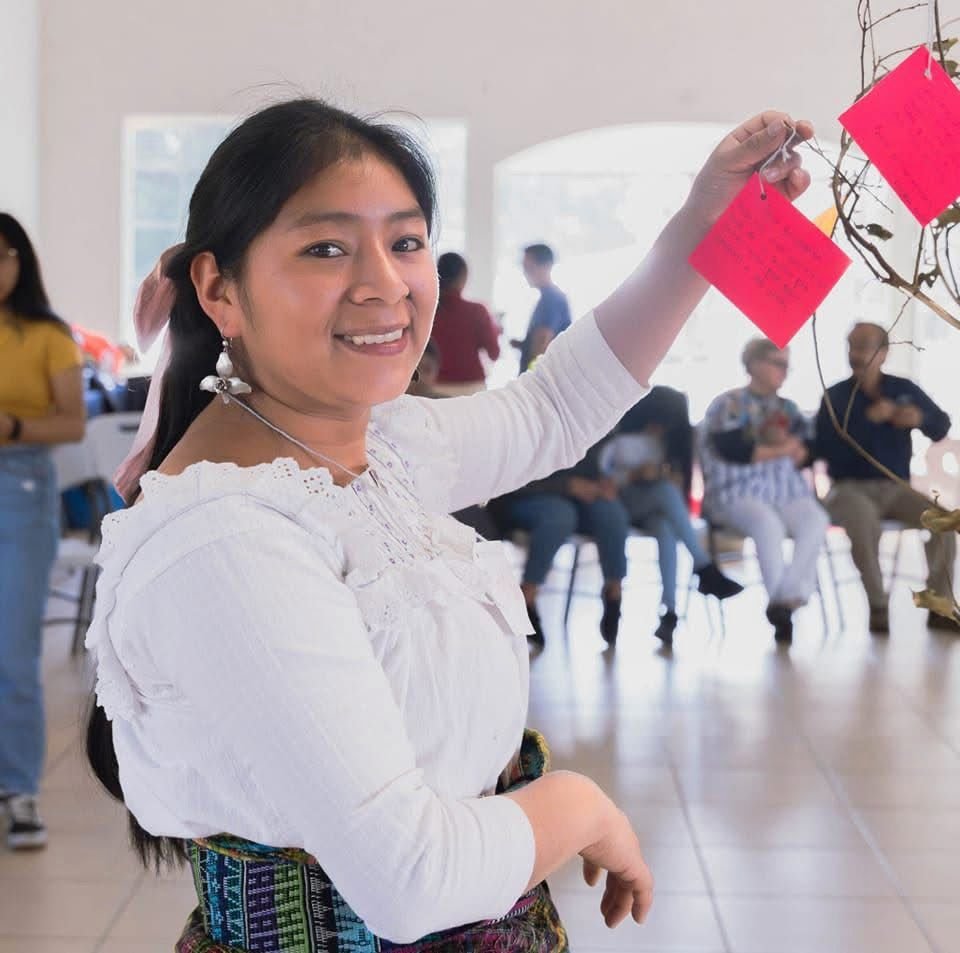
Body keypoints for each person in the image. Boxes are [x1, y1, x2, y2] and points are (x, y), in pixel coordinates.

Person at [82, 99, 812, 950]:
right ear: (219, 289)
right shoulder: (228, 540)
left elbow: (557, 403)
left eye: (405, 241)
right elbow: (409, 878)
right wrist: (578, 805)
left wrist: (705, 221)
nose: (384, 285)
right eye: (326, 247)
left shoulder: (369, 447)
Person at [0, 212, 85, 850]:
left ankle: (20, 788)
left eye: (3, 255)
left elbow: (71, 424)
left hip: (19, 485)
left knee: (13, 651)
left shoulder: (46, 335)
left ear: (19, 262)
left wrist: (11, 429)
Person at [816, 322, 956, 634]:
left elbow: (941, 426)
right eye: (851, 345)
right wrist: (867, 423)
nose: (855, 353)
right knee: (864, 523)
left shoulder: (902, 389)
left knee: (945, 522)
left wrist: (919, 418)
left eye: (864, 345)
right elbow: (822, 451)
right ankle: (878, 605)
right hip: (850, 489)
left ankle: (939, 605)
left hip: (897, 487)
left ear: (884, 352)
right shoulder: (835, 396)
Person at [702, 339, 829, 644]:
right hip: (736, 492)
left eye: (787, 364)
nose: (783, 371)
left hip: (785, 491)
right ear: (754, 363)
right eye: (777, 363)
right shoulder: (727, 404)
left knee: (816, 519)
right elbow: (734, 450)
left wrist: (795, 450)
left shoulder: (789, 409)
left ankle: (784, 601)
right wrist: (781, 447)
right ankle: (783, 603)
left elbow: (809, 450)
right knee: (767, 525)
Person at [601, 387, 743, 645]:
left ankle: (670, 611)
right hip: (619, 505)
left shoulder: (666, 446)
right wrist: (634, 476)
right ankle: (704, 566)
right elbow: (602, 480)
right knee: (665, 493)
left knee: (666, 528)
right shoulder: (618, 440)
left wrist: (663, 475)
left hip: (653, 508)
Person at [496, 439, 632, 646]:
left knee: (611, 511)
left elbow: (591, 466)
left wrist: (601, 482)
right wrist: (567, 485)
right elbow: (512, 477)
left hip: (574, 497)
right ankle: (527, 596)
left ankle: (614, 592)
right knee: (560, 515)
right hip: (526, 495)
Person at [430, 252, 501, 395]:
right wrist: (495, 330)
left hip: (435, 389)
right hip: (472, 389)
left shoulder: (426, 313)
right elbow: (494, 353)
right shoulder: (477, 311)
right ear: (463, 277)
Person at [515, 243, 571, 373]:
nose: (525, 273)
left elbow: (542, 344)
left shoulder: (552, 299)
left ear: (546, 266)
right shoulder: (548, 297)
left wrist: (531, 379)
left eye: (529, 268)